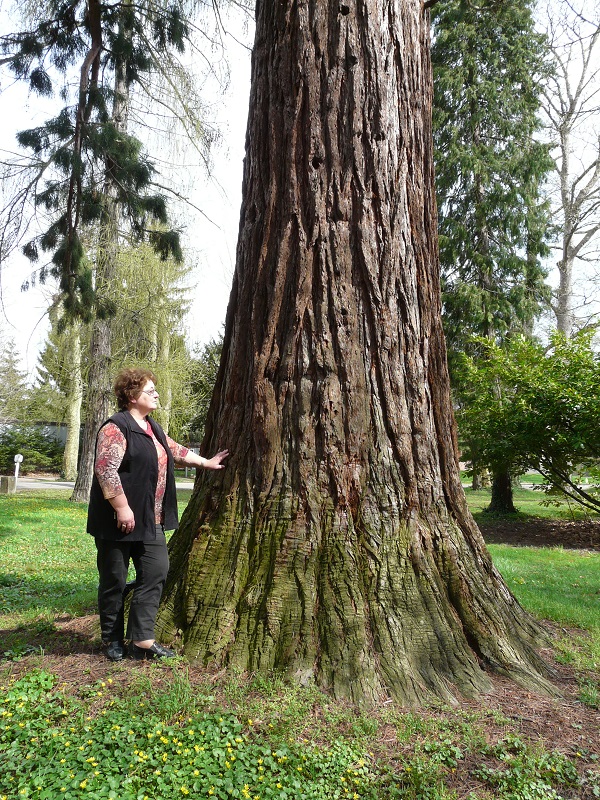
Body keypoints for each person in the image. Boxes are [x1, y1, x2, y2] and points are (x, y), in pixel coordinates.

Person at [87, 368, 228, 661]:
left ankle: (141, 640)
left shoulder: (153, 428)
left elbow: (176, 451)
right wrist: (122, 508)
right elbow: (105, 469)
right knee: (114, 579)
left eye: (155, 390)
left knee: (156, 571)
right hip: (117, 521)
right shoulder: (116, 427)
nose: (156, 394)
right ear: (131, 395)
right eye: (150, 390)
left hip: (151, 520)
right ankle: (111, 639)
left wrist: (207, 462)